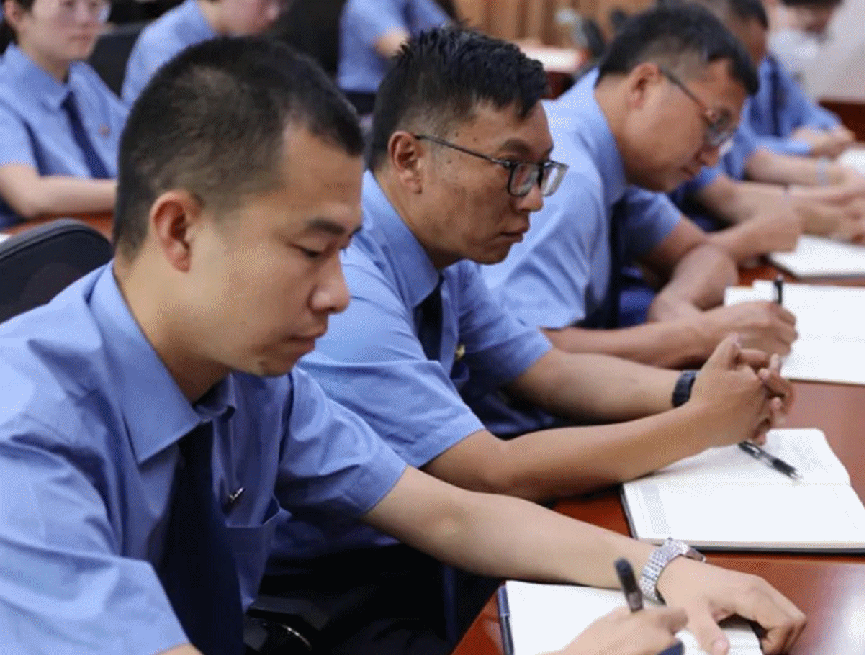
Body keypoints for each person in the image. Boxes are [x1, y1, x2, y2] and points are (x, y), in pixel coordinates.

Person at [0, 36, 806, 655]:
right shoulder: (24, 443)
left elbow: (451, 514)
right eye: (311, 251)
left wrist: (668, 568)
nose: (339, 292)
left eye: (344, 249)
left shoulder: (250, 373)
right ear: (180, 230)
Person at [271, 27, 792, 650]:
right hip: (328, 597)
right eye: (513, 169)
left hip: (425, 550)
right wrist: (699, 424)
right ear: (409, 159)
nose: (536, 200)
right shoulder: (349, 286)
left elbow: (546, 370)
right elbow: (487, 475)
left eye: (541, 171)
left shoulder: (442, 247)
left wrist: (693, 391)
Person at [481, 5, 798, 375]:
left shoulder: (621, 159)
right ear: (643, 86)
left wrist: (674, 301)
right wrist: (698, 335)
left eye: (725, 137)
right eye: (715, 125)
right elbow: (525, 355)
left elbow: (704, 253)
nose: (713, 157)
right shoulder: (567, 174)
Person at [0, 0, 126, 227]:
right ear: (16, 14)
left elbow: (142, 145)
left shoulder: (83, 78)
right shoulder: (5, 93)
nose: (86, 20)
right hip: (54, 242)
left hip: (114, 226)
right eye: (67, 5)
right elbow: (29, 196)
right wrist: (137, 191)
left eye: (95, 6)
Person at [693, 0, 853, 158]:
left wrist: (834, 132)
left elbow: (808, 112)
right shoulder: (732, 73)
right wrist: (805, 146)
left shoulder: (772, 66)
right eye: (809, 28)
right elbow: (742, 148)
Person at [121, 0, 285, 103]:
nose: (274, 13)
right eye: (263, 2)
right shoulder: (163, 45)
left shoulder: (243, 38)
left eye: (283, 1)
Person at [337, 0, 450, 114]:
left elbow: (451, 36)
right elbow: (406, 55)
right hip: (366, 99)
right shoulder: (364, 5)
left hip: (406, 94)